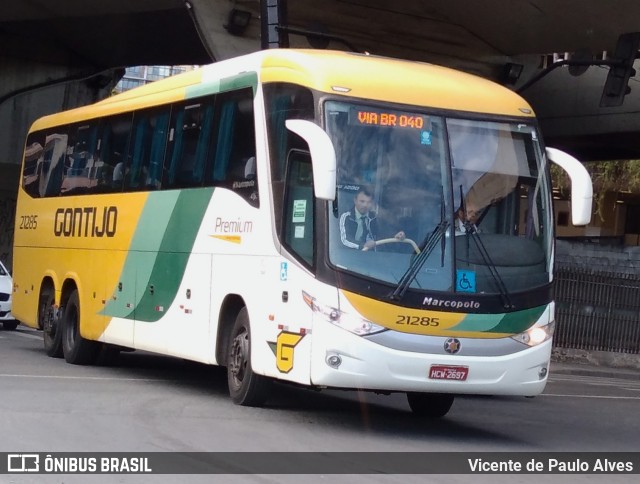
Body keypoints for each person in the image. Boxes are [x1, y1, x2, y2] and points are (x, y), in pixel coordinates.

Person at [339, 186, 405, 249]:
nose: (365, 205)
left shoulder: (374, 217)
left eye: (369, 202)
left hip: (372, 256)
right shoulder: (346, 217)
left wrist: (395, 236)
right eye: (362, 201)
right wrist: (363, 245)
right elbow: (345, 239)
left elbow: (383, 234)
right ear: (355, 200)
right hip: (348, 256)